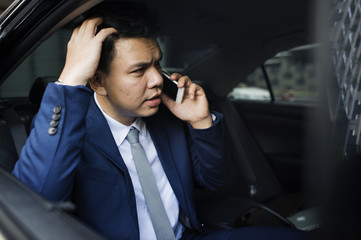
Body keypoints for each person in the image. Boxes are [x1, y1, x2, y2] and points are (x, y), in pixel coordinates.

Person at [13, 2, 308, 240]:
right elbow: (35, 202)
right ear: (98, 81)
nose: (157, 79)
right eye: (139, 70)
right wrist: (69, 82)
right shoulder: (70, 135)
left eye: (157, 63)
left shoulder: (165, 118)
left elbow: (215, 180)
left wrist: (201, 122)